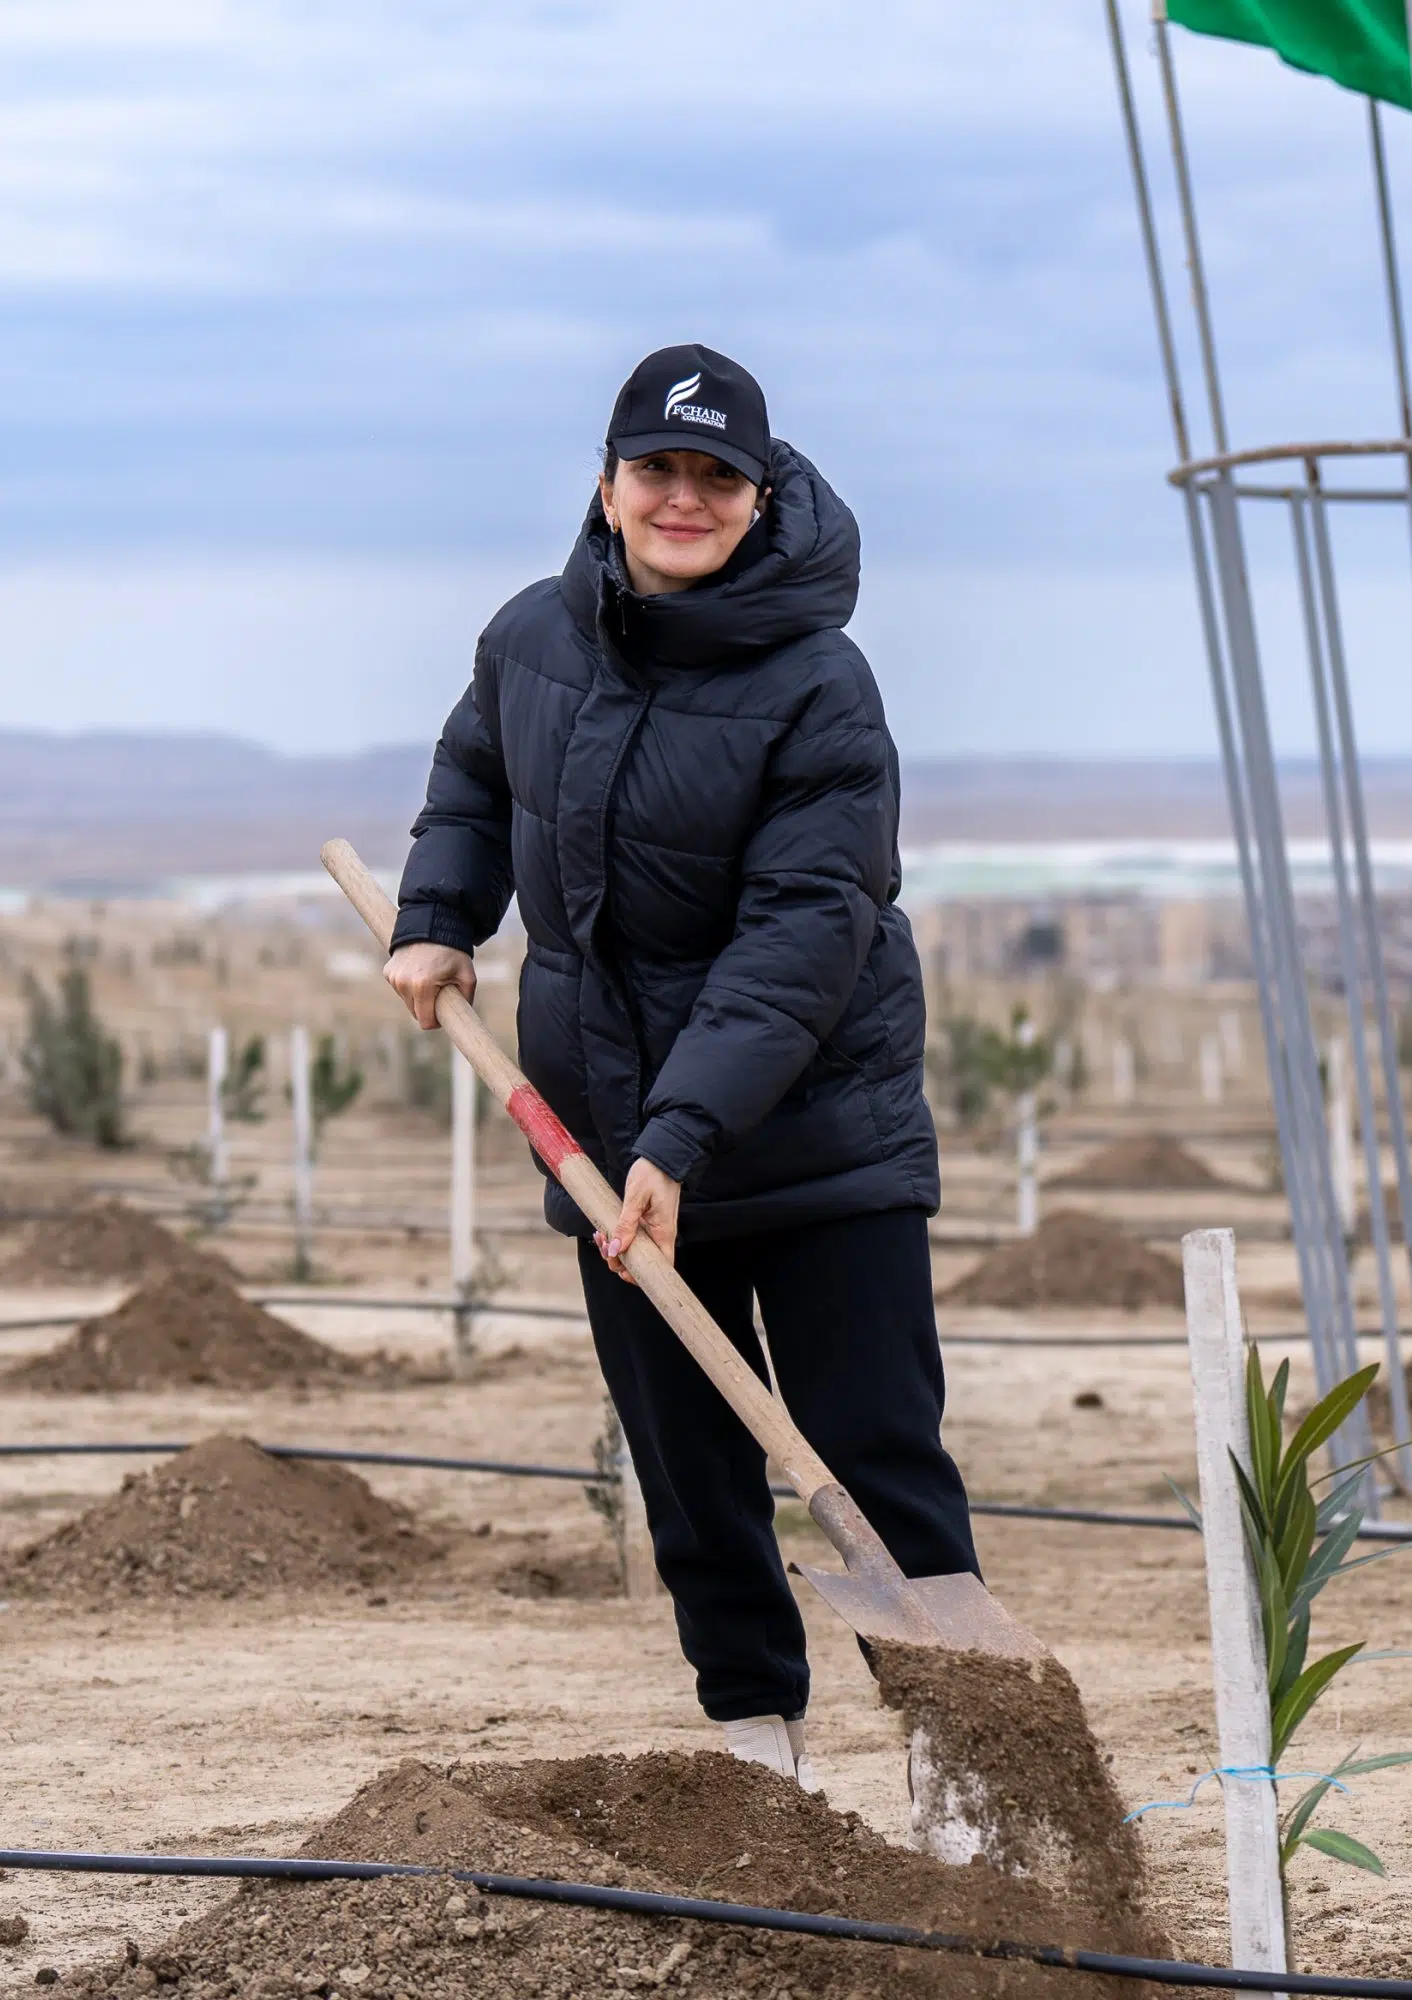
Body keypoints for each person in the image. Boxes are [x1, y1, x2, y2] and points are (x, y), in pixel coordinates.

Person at [381, 343, 969, 1788]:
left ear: (762, 499)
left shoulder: (821, 684)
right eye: (659, 469)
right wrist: (439, 917)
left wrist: (681, 1135)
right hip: (609, 1141)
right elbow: (476, 778)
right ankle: (759, 1759)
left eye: (718, 475)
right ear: (609, 486)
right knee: (691, 1473)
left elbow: (803, 931)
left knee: (878, 1457)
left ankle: (963, 1763)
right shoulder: (532, 638)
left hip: (815, 1141)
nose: (684, 497)